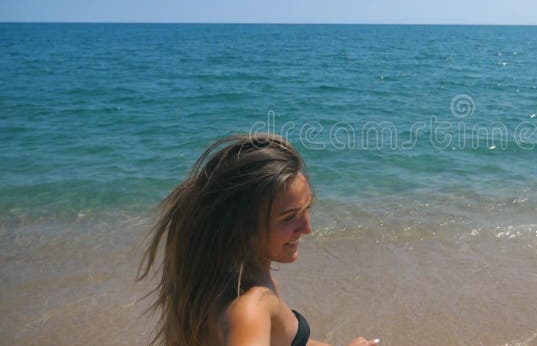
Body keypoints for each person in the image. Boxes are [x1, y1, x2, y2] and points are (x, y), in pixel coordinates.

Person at [138, 133, 379, 346]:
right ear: (242, 227)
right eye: (289, 218)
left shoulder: (218, 279)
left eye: (307, 209)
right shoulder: (249, 309)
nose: (307, 228)